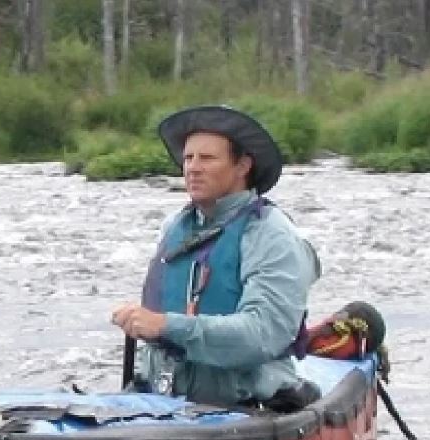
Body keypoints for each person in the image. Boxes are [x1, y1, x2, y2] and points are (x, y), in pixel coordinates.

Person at [110, 105, 321, 410]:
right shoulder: (176, 227)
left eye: (207, 158)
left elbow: (261, 335)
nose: (192, 168)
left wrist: (165, 326)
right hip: (165, 403)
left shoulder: (272, 235)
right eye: (188, 158)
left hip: (246, 407)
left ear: (242, 166)